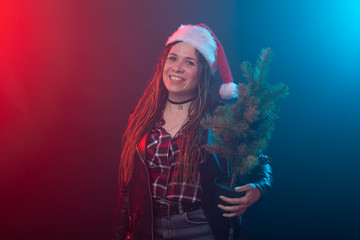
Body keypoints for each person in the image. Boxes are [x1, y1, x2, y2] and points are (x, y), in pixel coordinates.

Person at [111, 24, 272, 240]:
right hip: (148, 229)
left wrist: (260, 187)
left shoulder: (221, 118)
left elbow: (260, 160)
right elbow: (127, 189)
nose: (177, 68)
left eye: (189, 62)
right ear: (163, 64)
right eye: (173, 58)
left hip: (201, 228)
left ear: (203, 72)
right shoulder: (140, 118)